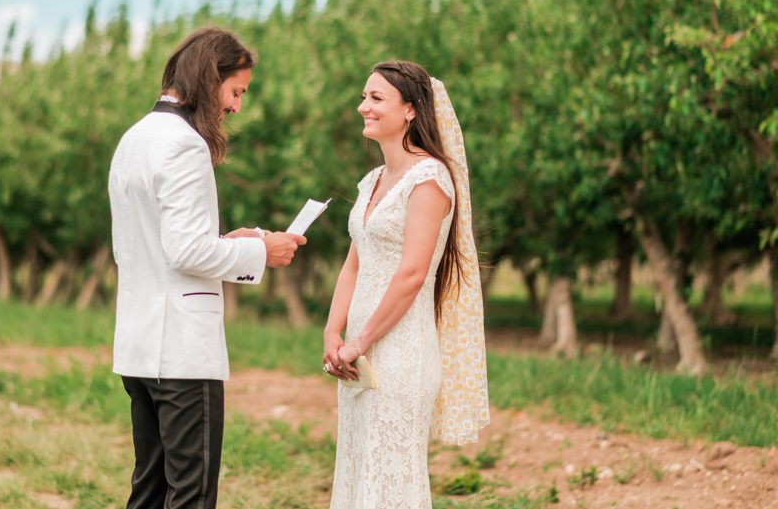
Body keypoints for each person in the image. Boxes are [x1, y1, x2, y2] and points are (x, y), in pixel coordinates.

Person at [108, 27, 307, 509]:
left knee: (149, 494)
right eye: (236, 91)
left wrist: (226, 242)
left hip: (139, 345)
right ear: (208, 77)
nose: (236, 106)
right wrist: (263, 253)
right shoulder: (185, 145)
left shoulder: (135, 138)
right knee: (191, 497)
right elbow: (185, 253)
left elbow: (159, 245)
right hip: (180, 351)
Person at [322, 60, 491, 508]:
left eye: (376, 98)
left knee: (389, 483)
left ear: (411, 110)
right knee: (360, 474)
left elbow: (413, 274)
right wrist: (332, 333)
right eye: (364, 96)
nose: (363, 107)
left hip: (400, 356)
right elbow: (352, 267)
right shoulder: (373, 181)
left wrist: (359, 341)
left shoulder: (430, 179)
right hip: (358, 355)